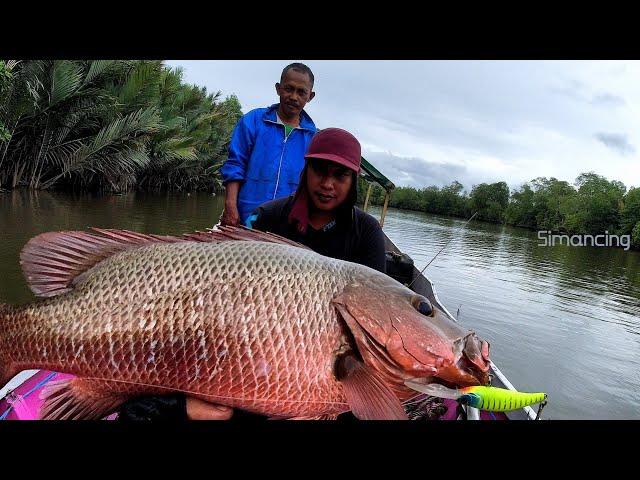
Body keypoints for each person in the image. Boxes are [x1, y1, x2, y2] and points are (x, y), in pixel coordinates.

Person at [247, 127, 386, 273]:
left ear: (353, 180)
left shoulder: (367, 231)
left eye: (340, 176)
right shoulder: (265, 216)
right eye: (320, 171)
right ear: (306, 170)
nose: (327, 184)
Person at [219, 62, 318, 226]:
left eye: (301, 92)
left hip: (286, 225)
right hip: (245, 217)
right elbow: (235, 165)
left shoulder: (313, 138)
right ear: (278, 88)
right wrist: (230, 206)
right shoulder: (252, 121)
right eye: (289, 88)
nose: (294, 96)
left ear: (310, 96)